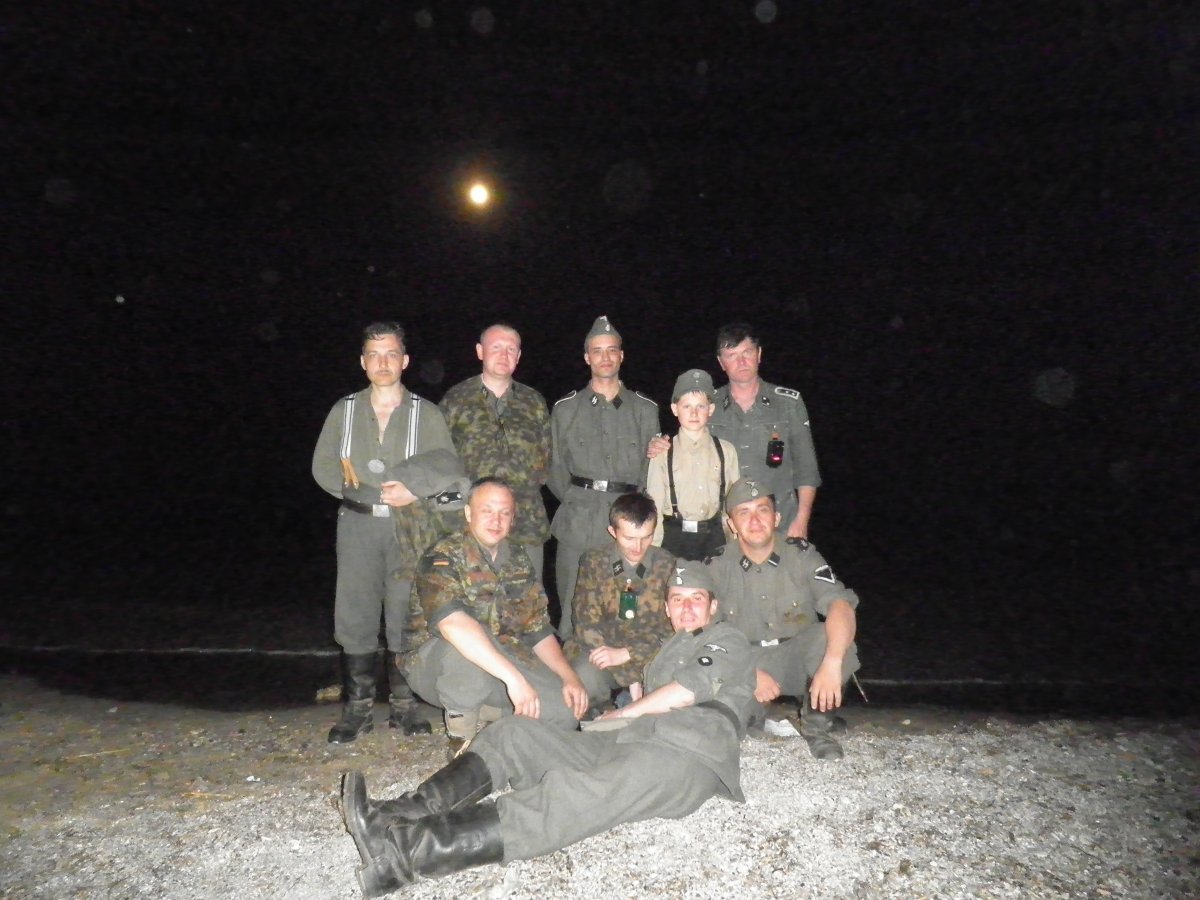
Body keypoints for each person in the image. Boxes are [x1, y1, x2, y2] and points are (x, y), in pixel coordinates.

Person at [338, 564, 754, 897]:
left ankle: (404, 854)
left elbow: (687, 690)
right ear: (666, 607)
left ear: (713, 605)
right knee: (514, 734)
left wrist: (620, 714)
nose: (686, 607)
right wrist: (618, 713)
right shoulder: (669, 647)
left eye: (696, 599)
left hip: (688, 753)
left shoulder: (728, 637)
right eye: (677, 599)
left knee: (577, 793)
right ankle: (394, 816)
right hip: (631, 739)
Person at [312, 322, 456, 743]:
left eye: (391, 354)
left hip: (407, 526)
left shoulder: (426, 413)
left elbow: (447, 464)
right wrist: (356, 491)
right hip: (357, 525)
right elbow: (322, 465)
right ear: (363, 362)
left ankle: (404, 707)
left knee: (404, 612)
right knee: (354, 613)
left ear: (405, 361)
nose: (383, 363)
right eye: (374, 355)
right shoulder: (344, 410)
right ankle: (357, 710)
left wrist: (414, 488)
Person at [399, 478, 589, 751]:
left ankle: (493, 712)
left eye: (504, 513)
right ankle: (461, 743)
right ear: (468, 513)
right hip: (434, 665)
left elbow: (537, 628)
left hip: (501, 659)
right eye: (487, 510)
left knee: (565, 711)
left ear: (512, 519)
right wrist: (516, 680)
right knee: (466, 651)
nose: (496, 520)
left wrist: (568, 676)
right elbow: (453, 626)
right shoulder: (443, 556)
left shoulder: (518, 558)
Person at [704, 478, 860, 760]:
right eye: (744, 512)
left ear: (776, 518)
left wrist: (832, 662)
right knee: (729, 728)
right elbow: (705, 632)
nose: (754, 520)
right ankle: (754, 715)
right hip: (746, 662)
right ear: (731, 524)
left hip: (794, 660)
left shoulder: (802, 554)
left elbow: (841, 605)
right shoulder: (716, 566)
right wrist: (749, 672)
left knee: (831, 637)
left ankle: (818, 729)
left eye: (762, 510)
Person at [548, 315, 660, 639]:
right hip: (578, 523)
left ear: (622, 355)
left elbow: (650, 469)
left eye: (612, 350)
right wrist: (576, 500)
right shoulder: (566, 409)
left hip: (627, 525)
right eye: (597, 351)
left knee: (626, 606)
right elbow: (554, 467)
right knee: (572, 611)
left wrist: (635, 513)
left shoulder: (644, 409)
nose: (605, 357)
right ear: (587, 357)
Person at [438, 324, 552, 581]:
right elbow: (440, 461)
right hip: (472, 526)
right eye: (496, 347)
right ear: (480, 351)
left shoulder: (533, 402)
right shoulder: (456, 399)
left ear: (518, 356)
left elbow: (546, 460)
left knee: (527, 600)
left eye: (511, 349)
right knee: (473, 598)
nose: (504, 355)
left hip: (526, 524)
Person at [561, 492, 676, 709]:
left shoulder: (668, 565)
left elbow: (672, 631)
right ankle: (598, 714)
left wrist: (629, 654)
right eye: (629, 538)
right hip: (603, 651)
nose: (638, 547)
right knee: (583, 678)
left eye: (646, 537)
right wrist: (630, 676)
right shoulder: (594, 562)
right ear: (612, 531)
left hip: (649, 653)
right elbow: (586, 624)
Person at [710, 322, 821, 539]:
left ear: (759, 354)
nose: (741, 361)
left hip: (782, 523)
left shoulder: (788, 403)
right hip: (728, 528)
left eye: (747, 352)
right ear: (721, 363)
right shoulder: (707, 406)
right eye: (732, 355)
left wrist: (801, 520)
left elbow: (806, 468)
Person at [645, 368, 741, 559]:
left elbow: (734, 504)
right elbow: (655, 505)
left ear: (711, 409)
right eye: (686, 406)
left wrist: (737, 543)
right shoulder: (662, 452)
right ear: (675, 409)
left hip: (715, 538)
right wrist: (653, 551)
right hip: (674, 538)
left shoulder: (726, 451)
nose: (694, 413)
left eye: (701, 406)